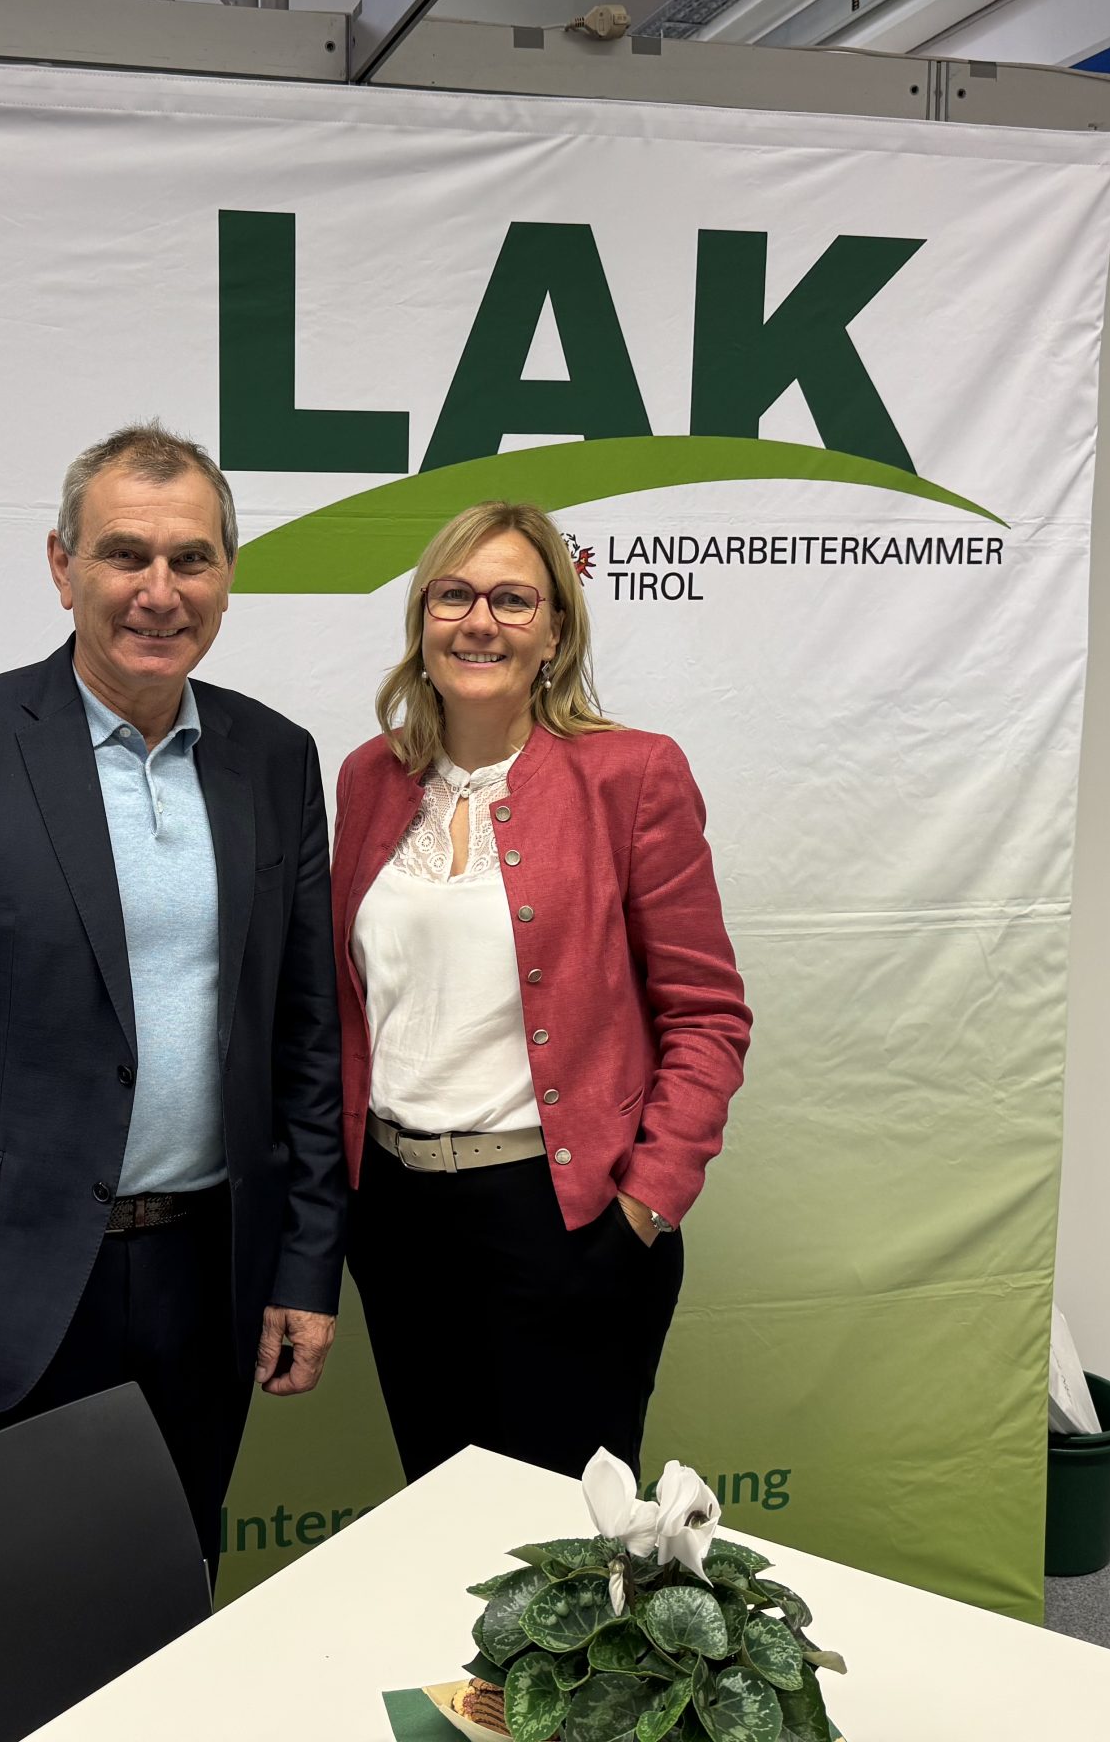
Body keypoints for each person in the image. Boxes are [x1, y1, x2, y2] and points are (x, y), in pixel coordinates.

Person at [0, 424, 345, 1567]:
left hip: (208, 1282)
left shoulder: (275, 758)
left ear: (228, 576)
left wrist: (304, 1267)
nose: (159, 592)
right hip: (1, 1296)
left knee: (172, 1606)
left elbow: (305, 1041)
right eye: (123, 556)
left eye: (191, 559)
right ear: (62, 567)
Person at [331, 501, 750, 1483]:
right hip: (395, 1221)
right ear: (422, 621)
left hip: (565, 1217)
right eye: (454, 595)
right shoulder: (368, 778)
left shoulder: (631, 775)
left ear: (555, 630)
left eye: (513, 600)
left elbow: (707, 1015)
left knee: (564, 1537)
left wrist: (643, 1206)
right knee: (441, 1504)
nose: (479, 621)